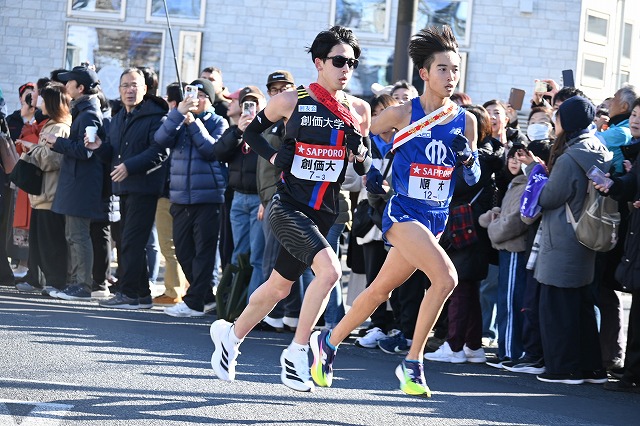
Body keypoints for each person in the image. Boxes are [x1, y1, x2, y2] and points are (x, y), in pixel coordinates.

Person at [309, 25, 481, 397]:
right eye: (442, 69)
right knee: (446, 279)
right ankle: (413, 363)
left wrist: (468, 158)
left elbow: (475, 176)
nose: (450, 76)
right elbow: (361, 136)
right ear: (424, 73)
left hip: (436, 219)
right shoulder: (403, 113)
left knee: (378, 291)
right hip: (403, 214)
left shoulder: (466, 120)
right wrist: (370, 170)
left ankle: (328, 343)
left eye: (455, 69)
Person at [209, 25, 371, 392]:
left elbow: (363, 166)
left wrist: (360, 150)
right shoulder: (290, 100)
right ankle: (297, 353)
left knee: (278, 287)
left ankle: (230, 337)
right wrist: (274, 157)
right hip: (288, 206)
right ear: (319, 63)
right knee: (330, 272)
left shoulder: (356, 109)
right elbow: (250, 133)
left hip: (324, 212)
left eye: (352, 63)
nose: (346, 69)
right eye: (339, 61)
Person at [516, 95, 611, 385]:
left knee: (557, 308)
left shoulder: (570, 157)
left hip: (562, 239)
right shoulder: (598, 148)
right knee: (581, 307)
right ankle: (591, 368)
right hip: (586, 235)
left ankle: (563, 369)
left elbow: (549, 197)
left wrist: (536, 172)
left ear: (565, 122)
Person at [86, 68, 169, 309]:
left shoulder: (157, 117)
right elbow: (113, 153)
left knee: (132, 241)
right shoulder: (119, 116)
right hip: (123, 188)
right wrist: (98, 147)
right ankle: (141, 294)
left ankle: (129, 293)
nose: (129, 90)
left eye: (135, 85)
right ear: (119, 89)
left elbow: (160, 152)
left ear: (145, 89)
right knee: (128, 241)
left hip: (144, 187)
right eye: (125, 86)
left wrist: (129, 167)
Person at [155, 78, 228, 317]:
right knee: (183, 251)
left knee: (204, 252)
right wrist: (178, 114)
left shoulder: (218, 122)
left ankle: (194, 302)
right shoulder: (178, 118)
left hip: (208, 197)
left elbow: (211, 150)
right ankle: (205, 296)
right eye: (192, 94)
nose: (196, 100)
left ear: (210, 99)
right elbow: (161, 139)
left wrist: (194, 123)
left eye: (201, 95)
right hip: (179, 197)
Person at [42, 66, 104, 300]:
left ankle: (82, 286)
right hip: (77, 182)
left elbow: (87, 150)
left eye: (69, 83)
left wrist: (57, 142)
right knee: (73, 235)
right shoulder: (83, 110)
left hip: (82, 184)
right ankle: (76, 283)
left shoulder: (89, 113)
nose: (65, 86)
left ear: (81, 88)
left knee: (78, 236)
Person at [15, 82, 70, 294]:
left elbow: (52, 160)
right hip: (42, 194)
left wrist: (32, 148)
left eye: (43, 99)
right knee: (38, 242)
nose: (38, 102)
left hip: (51, 193)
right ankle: (35, 278)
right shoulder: (50, 125)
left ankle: (55, 282)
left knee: (51, 242)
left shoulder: (60, 127)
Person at [213, 86, 267, 300]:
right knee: (238, 253)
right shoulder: (235, 130)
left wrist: (267, 198)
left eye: (255, 104)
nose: (250, 108)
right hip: (238, 198)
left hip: (259, 198)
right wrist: (238, 132)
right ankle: (233, 302)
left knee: (257, 256)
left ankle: (252, 305)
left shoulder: (269, 130)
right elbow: (218, 153)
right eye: (246, 104)